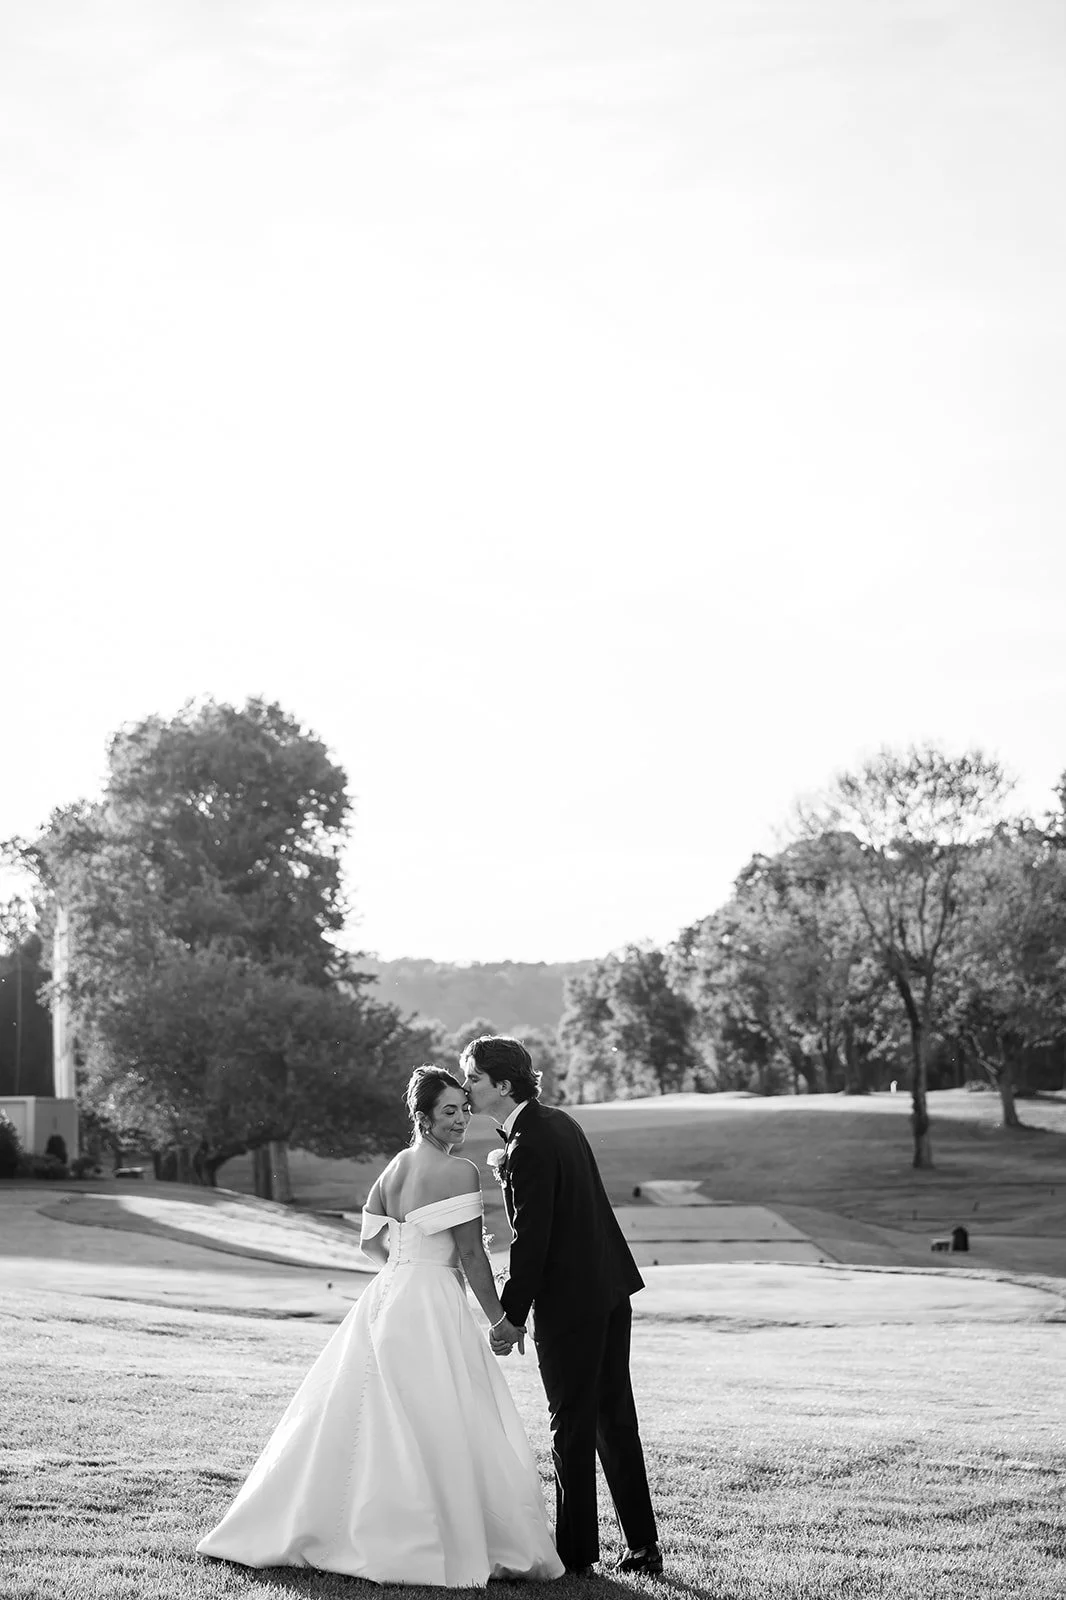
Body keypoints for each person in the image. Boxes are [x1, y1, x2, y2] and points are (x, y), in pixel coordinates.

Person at [196, 1066, 564, 1586]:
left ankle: (342, 1527)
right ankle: (423, 1537)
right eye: (449, 1112)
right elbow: (470, 1255)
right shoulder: (459, 1173)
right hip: (431, 1301)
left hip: (388, 1295)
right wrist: (502, 1318)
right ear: (424, 1117)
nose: (461, 1120)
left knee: (370, 1412)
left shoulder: (395, 1166)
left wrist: (404, 1261)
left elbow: (370, 1241)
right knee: (435, 1413)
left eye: (463, 1108)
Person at [461, 1036, 662, 1577]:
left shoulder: (528, 1144)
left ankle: (575, 1554)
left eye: (474, 1078)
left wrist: (510, 1316)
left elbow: (532, 1238)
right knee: (614, 1418)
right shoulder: (560, 1123)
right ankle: (642, 1546)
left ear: (503, 1085)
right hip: (609, 1289)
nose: (466, 1087)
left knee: (570, 1422)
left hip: (571, 1303)